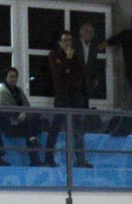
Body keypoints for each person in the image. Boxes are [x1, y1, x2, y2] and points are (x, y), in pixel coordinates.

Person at [46, 31, 91, 168]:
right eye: (65, 40)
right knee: (56, 126)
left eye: (70, 40)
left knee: (78, 129)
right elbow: (58, 73)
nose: (67, 43)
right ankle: (49, 158)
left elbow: (81, 74)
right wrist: (67, 61)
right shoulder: (53, 55)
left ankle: (81, 160)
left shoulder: (76, 56)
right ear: (60, 42)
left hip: (76, 97)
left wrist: (69, 67)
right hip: (62, 96)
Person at [0, 67, 43, 167]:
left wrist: (24, 113)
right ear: (6, 78)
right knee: (31, 123)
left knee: (35, 118)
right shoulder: (2, 92)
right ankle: (33, 148)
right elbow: (3, 112)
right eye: (11, 77)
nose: (13, 79)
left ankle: (32, 140)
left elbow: (27, 106)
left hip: (23, 122)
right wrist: (19, 115)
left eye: (15, 77)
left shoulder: (19, 90)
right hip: (9, 124)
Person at [76, 22, 102, 99]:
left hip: (87, 84)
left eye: (91, 31)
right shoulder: (74, 45)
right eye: (86, 30)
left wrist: (95, 77)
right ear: (81, 32)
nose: (88, 33)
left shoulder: (93, 48)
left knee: (85, 102)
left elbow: (94, 64)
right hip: (74, 82)